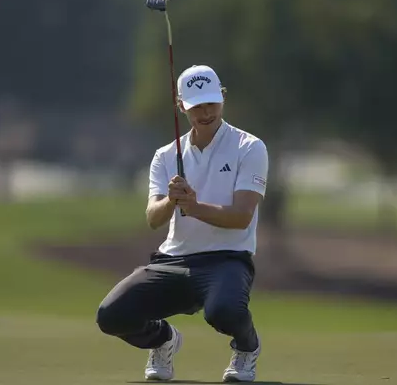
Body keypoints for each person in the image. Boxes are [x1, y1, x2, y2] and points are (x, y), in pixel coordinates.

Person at [96, 64, 269, 382]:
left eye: (211, 103)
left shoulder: (249, 147)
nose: (205, 113)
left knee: (224, 312)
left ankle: (247, 347)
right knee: (110, 315)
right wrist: (171, 201)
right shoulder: (165, 156)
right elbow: (153, 219)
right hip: (173, 261)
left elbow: (242, 217)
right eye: (196, 106)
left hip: (227, 259)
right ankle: (163, 340)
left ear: (223, 98)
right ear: (181, 106)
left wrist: (194, 206)